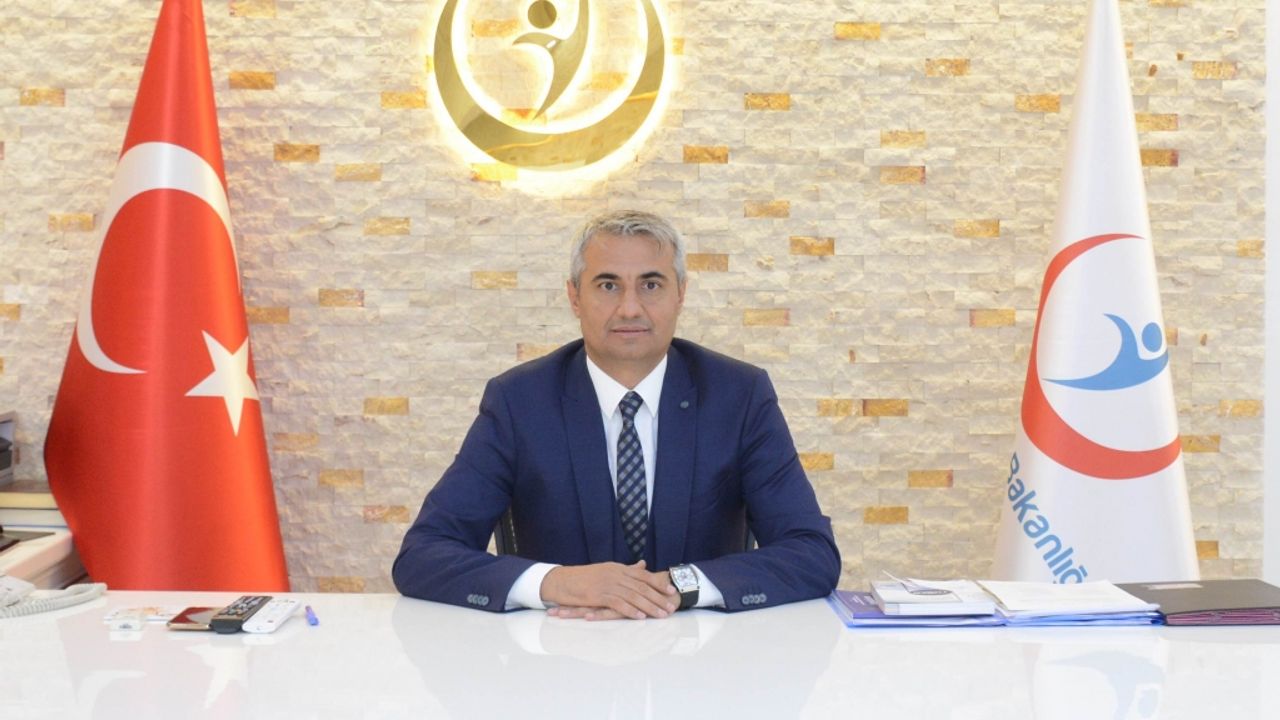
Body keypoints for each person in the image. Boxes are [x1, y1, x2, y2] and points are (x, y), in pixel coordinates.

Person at [392, 210, 840, 619]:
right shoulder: (518, 402)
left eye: (651, 285)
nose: (629, 307)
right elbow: (423, 555)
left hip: (702, 661)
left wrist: (676, 587)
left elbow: (811, 553)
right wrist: (557, 583)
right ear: (574, 296)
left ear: (681, 294)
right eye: (608, 285)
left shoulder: (739, 396)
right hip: (555, 656)